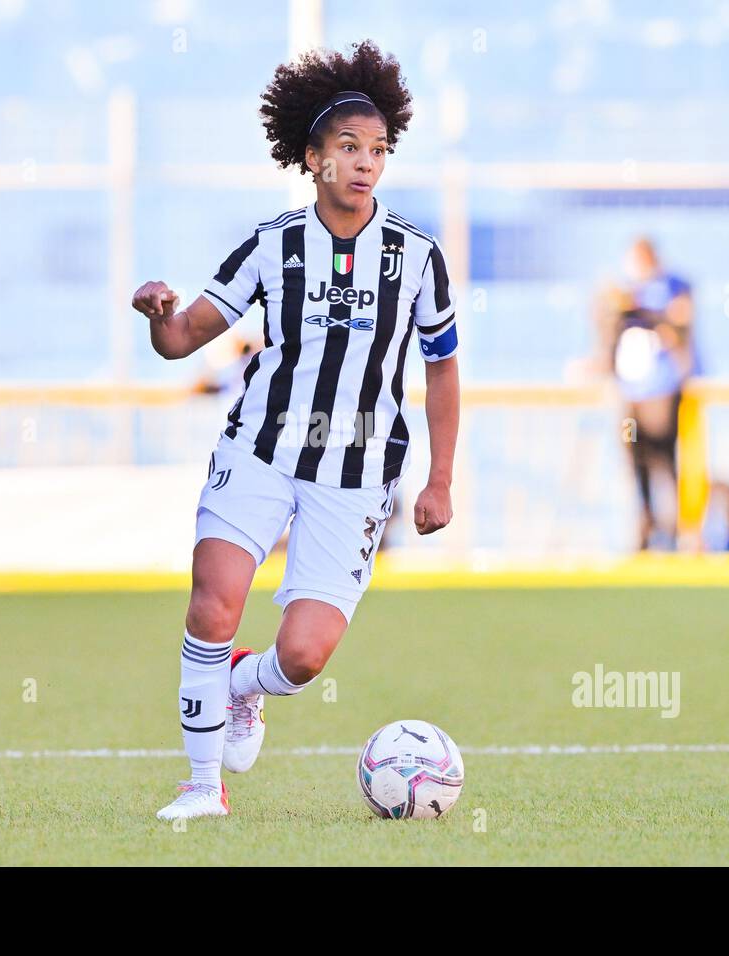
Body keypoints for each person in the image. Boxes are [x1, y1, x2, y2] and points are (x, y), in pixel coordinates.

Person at [130, 40, 460, 820]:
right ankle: (201, 788)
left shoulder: (416, 257)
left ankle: (244, 685)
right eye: (348, 147)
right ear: (312, 157)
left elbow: (442, 366)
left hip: (358, 474)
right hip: (260, 452)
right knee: (213, 601)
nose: (365, 163)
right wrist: (159, 317)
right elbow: (182, 342)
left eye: (377, 150)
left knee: (305, 657)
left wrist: (441, 478)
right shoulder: (272, 244)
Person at [594, 238, 696, 550]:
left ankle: (677, 530)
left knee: (665, 459)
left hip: (662, 392)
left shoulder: (671, 289)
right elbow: (606, 327)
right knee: (635, 457)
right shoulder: (622, 296)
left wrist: (645, 310)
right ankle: (646, 523)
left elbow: (679, 326)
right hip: (632, 396)